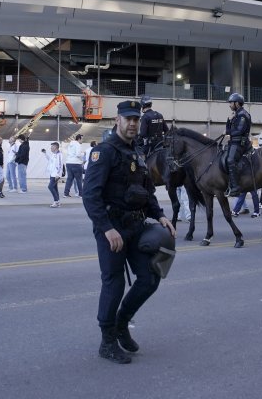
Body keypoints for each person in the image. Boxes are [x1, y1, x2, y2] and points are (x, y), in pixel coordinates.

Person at [82, 99, 176, 364]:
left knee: (150, 278)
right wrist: (107, 229)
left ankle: (122, 324)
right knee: (114, 282)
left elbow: (147, 192)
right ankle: (107, 341)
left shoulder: (137, 153)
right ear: (118, 120)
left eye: (136, 119)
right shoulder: (105, 151)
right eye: (128, 119)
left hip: (135, 226)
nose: (133, 123)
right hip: (112, 228)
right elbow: (90, 196)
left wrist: (160, 216)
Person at [224, 92, 252, 197]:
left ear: (237, 103)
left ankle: (235, 187)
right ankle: (227, 184)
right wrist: (229, 120)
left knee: (230, 160)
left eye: (231, 103)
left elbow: (239, 131)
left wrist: (227, 132)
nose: (230, 105)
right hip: (233, 142)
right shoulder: (236, 115)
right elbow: (229, 129)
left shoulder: (243, 115)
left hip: (240, 143)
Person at [45, 142, 63, 207]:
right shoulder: (53, 154)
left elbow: (60, 165)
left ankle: (56, 201)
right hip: (52, 173)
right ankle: (57, 201)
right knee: (55, 188)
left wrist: (58, 174)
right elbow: (50, 160)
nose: (51, 148)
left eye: (52, 147)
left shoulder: (59, 154)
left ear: (56, 147)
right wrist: (45, 154)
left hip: (56, 174)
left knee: (50, 186)